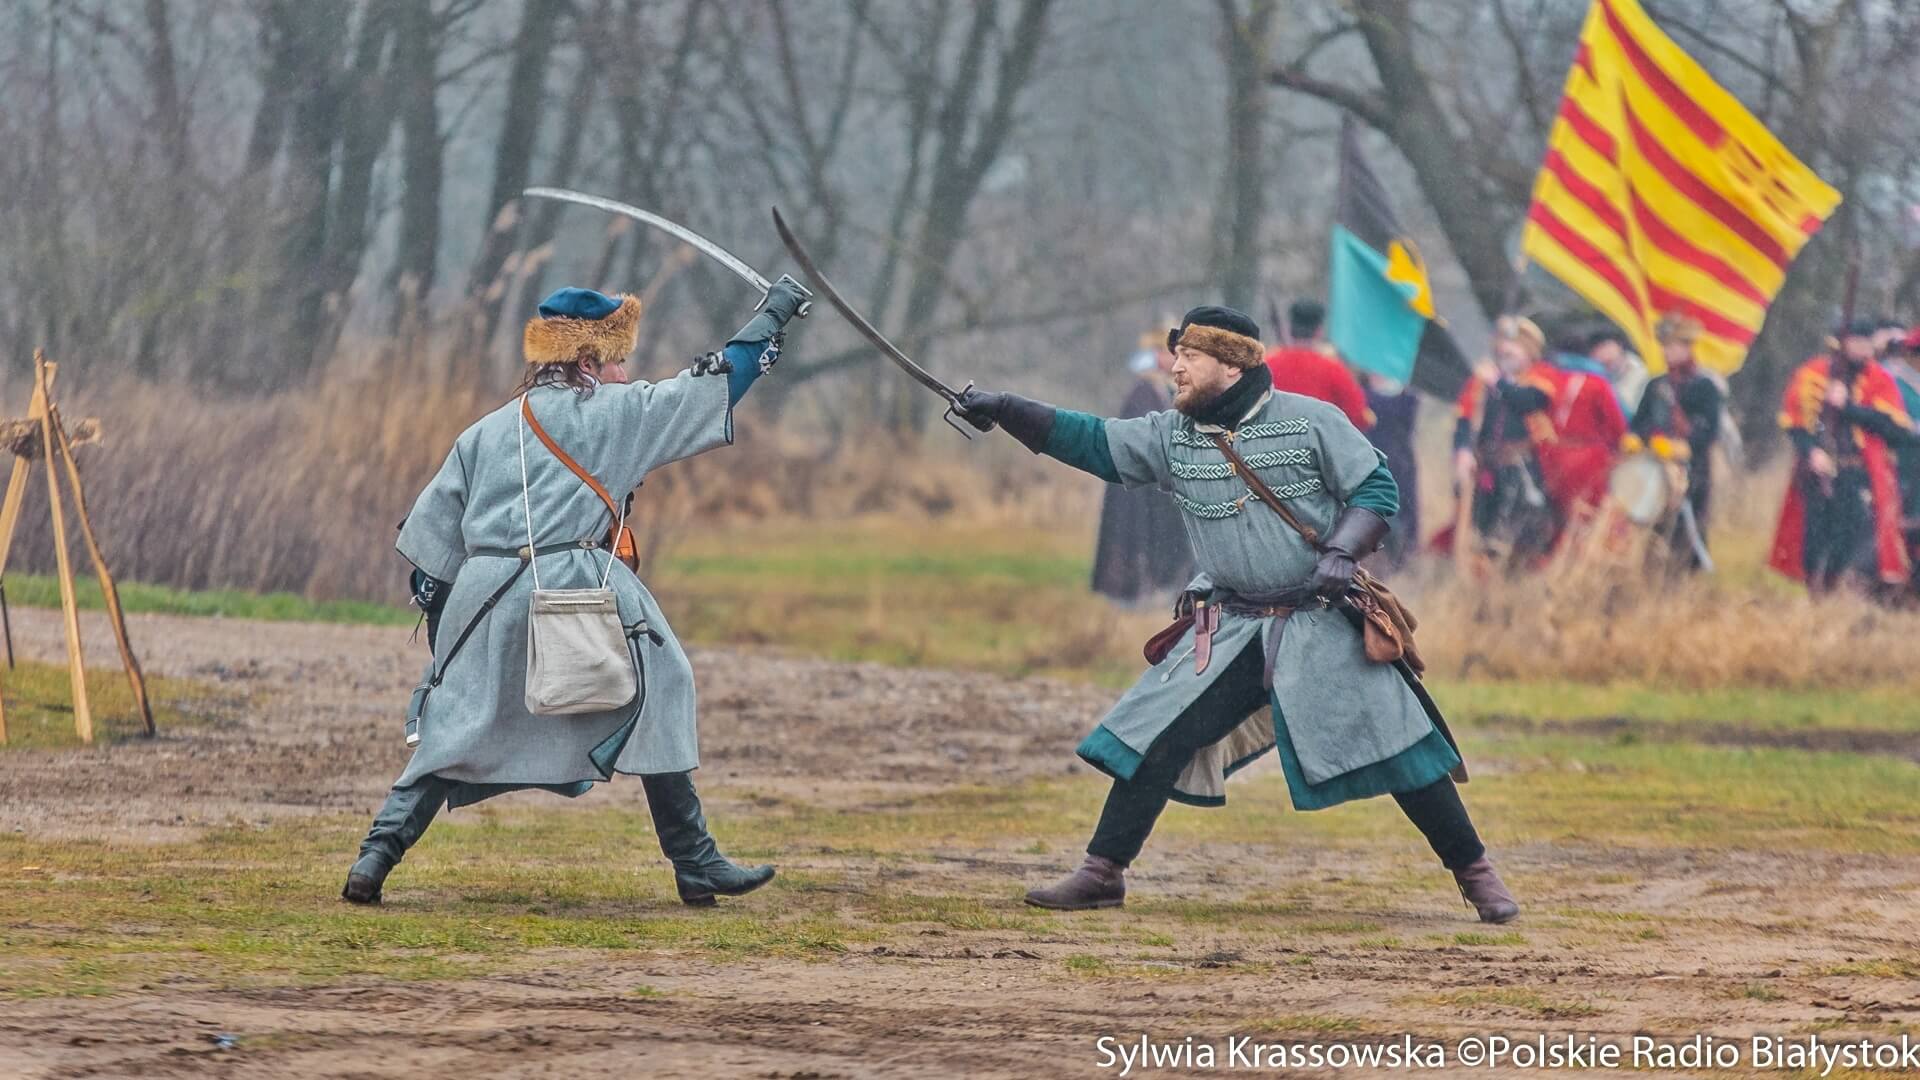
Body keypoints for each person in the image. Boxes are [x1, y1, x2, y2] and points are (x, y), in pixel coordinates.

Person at [952, 305, 1519, 924]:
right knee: (1160, 734)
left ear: (1231, 365)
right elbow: (1093, 441)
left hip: (1321, 618)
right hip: (1231, 627)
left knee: (1403, 745)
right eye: (1177, 356)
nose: (1176, 368)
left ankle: (1476, 874)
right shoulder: (1170, 435)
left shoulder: (1313, 421)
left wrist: (1341, 552)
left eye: (1190, 357)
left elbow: (1377, 489)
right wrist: (1006, 409)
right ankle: (1102, 872)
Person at [342, 278, 811, 906]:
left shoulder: (484, 430)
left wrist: (449, 630)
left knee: (458, 724)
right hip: (572, 582)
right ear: (588, 362)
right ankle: (695, 861)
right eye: (618, 362)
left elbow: (430, 554)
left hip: (481, 594)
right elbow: (717, 385)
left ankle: (374, 857)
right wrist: (775, 315)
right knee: (663, 680)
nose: (625, 375)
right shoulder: (617, 413)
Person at [1768, 318, 1915, 595]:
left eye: (1866, 343)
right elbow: (1795, 423)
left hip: (1857, 471)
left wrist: (1848, 407)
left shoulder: (1879, 379)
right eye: (1856, 342)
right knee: (1814, 535)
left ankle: (1838, 590)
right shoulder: (1812, 373)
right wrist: (1811, 451)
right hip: (1818, 469)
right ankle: (1814, 591)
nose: (1862, 349)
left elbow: (1894, 428)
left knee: (1849, 537)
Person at [1446, 316, 1563, 568]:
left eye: (1514, 346)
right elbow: (1465, 419)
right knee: (1481, 529)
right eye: (1503, 346)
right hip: (1486, 466)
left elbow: (1527, 402)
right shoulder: (1481, 380)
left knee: (1523, 529)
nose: (1505, 351)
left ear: (1529, 351)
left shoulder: (1542, 376)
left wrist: (1498, 382)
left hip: (1523, 465)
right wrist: (1463, 451)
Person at [1091, 332, 1195, 604]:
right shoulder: (1143, 392)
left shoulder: (1166, 389)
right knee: (1134, 534)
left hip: (1156, 482)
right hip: (1137, 483)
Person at [1629, 314, 1722, 570]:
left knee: (1688, 525)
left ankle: (1688, 576)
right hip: (1655, 464)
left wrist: (1686, 446)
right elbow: (1640, 421)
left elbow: (1710, 428)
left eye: (1672, 346)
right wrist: (1637, 440)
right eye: (1665, 346)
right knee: (1654, 524)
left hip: (1692, 467)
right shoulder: (1656, 384)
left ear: (1687, 347)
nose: (1666, 352)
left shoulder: (1705, 386)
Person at [1264, 299, 1374, 431]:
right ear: (1319, 331)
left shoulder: (1267, 364)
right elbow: (1360, 417)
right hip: (1319, 440)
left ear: (1289, 328)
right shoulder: (1333, 368)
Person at [1362, 373, 1421, 567]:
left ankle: (1403, 557)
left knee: (1402, 510)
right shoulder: (1362, 391)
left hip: (1399, 461)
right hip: (1372, 460)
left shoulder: (1408, 395)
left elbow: (1407, 426)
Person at [1581, 328, 1649, 417]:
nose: (1604, 352)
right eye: (1597, 349)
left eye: (1606, 345)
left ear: (1619, 345)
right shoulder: (1593, 372)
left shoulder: (1636, 369)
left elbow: (1629, 405)